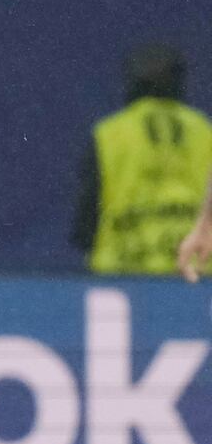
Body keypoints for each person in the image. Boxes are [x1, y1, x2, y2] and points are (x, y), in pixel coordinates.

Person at [74, 46, 212, 275]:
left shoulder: (109, 134)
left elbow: (85, 222)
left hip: (123, 275)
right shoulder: (205, 131)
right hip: (196, 276)